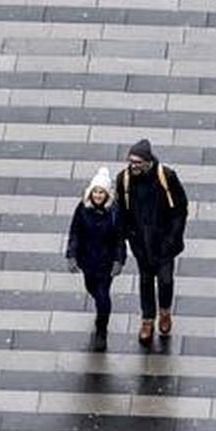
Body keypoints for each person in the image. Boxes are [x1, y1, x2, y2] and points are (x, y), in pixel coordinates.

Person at [112, 139, 188, 344]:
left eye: (137, 162)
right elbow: (121, 213)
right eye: (131, 161)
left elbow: (180, 209)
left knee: (165, 280)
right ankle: (147, 319)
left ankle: (164, 311)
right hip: (141, 243)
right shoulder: (124, 179)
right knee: (145, 281)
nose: (132, 165)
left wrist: (172, 238)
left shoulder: (166, 176)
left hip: (164, 242)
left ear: (147, 161)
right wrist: (129, 237)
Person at [63, 174, 127, 342]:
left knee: (102, 296)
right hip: (88, 260)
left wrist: (119, 260)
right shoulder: (83, 209)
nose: (98, 195)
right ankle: (101, 313)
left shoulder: (114, 211)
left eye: (101, 192)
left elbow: (120, 238)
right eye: (95, 192)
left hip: (106, 262)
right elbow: (75, 232)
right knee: (91, 287)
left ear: (107, 194)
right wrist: (71, 255)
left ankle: (101, 328)